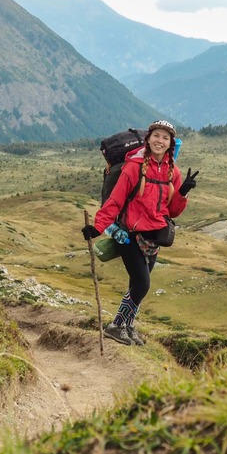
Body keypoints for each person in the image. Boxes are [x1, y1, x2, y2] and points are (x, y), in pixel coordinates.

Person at [81, 120, 199, 346]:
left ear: (170, 144)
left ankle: (128, 325)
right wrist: (97, 227)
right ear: (148, 139)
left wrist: (182, 191)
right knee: (143, 285)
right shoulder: (133, 168)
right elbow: (115, 201)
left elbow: (172, 210)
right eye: (157, 136)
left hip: (154, 238)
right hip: (130, 235)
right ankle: (116, 326)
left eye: (166, 138)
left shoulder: (173, 171)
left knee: (135, 286)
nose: (160, 141)